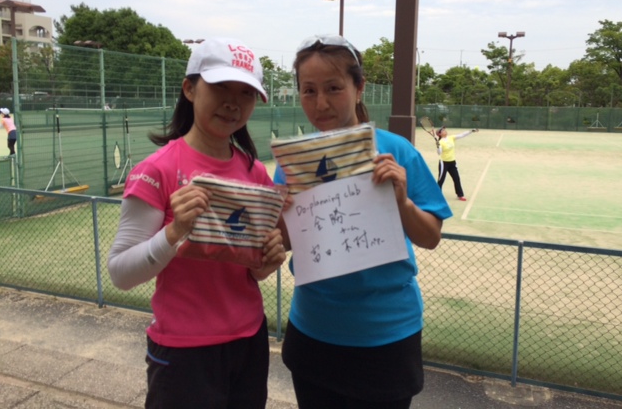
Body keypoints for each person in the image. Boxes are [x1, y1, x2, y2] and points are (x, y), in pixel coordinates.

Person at [107, 37, 287, 409]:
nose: (233, 103)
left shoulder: (255, 173)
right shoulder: (157, 170)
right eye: (221, 87)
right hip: (183, 352)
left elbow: (251, 270)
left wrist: (267, 262)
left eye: (246, 93)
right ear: (189, 89)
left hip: (249, 342)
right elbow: (120, 273)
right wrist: (173, 233)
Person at [274, 35, 453, 409]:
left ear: (359, 88)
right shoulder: (294, 162)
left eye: (333, 88)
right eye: (309, 91)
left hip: (387, 336)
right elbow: (284, 242)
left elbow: (431, 236)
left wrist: (402, 201)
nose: (320, 103)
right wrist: (281, 212)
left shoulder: (397, 151)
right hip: (313, 330)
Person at [435, 126, 478, 201]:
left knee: (456, 178)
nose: (445, 130)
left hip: (452, 162)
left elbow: (462, 135)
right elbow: (439, 153)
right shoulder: (440, 142)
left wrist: (471, 131)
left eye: (444, 129)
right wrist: (438, 146)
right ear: (439, 134)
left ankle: (460, 195)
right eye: (443, 130)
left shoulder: (451, 138)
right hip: (444, 163)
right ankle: (437, 195)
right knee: (441, 180)